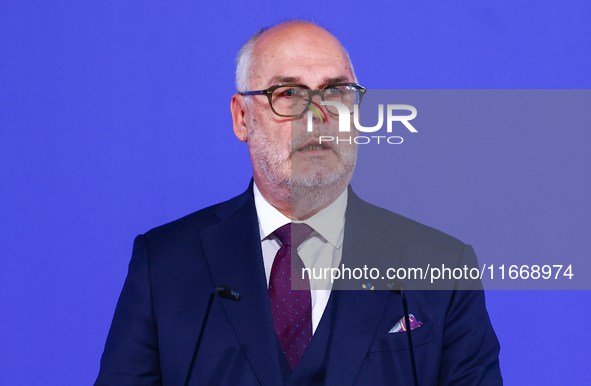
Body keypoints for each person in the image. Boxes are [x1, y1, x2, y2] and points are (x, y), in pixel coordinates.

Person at [96, 20, 502, 385]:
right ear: (242, 118)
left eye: (336, 91)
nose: (317, 113)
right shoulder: (165, 263)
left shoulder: (440, 266)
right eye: (288, 92)